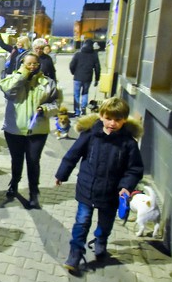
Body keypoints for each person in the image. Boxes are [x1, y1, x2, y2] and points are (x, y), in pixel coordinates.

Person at [55, 97, 144, 272]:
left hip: (111, 193)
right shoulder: (90, 135)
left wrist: (126, 186)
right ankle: (75, 252)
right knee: (81, 222)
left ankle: (101, 240)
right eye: (109, 118)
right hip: (88, 188)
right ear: (101, 116)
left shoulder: (128, 143)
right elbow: (73, 155)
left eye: (118, 120)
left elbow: (134, 169)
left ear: (124, 120)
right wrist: (61, 174)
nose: (112, 123)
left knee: (105, 223)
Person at [0, 52, 60, 209]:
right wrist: (22, 74)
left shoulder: (47, 82)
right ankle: (14, 183)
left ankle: (34, 192)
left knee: (33, 161)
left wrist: (45, 109)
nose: (32, 66)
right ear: (21, 64)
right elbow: (9, 92)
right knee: (16, 160)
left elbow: (56, 104)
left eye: (35, 64)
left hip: (37, 130)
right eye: (28, 64)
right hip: (15, 129)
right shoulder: (11, 79)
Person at [69, 40, 101, 116]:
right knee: (85, 93)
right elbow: (98, 68)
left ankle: (77, 111)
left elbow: (71, 65)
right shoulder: (94, 55)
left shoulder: (78, 54)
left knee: (76, 94)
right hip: (88, 78)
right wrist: (97, 79)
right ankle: (83, 108)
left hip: (77, 77)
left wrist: (73, 72)